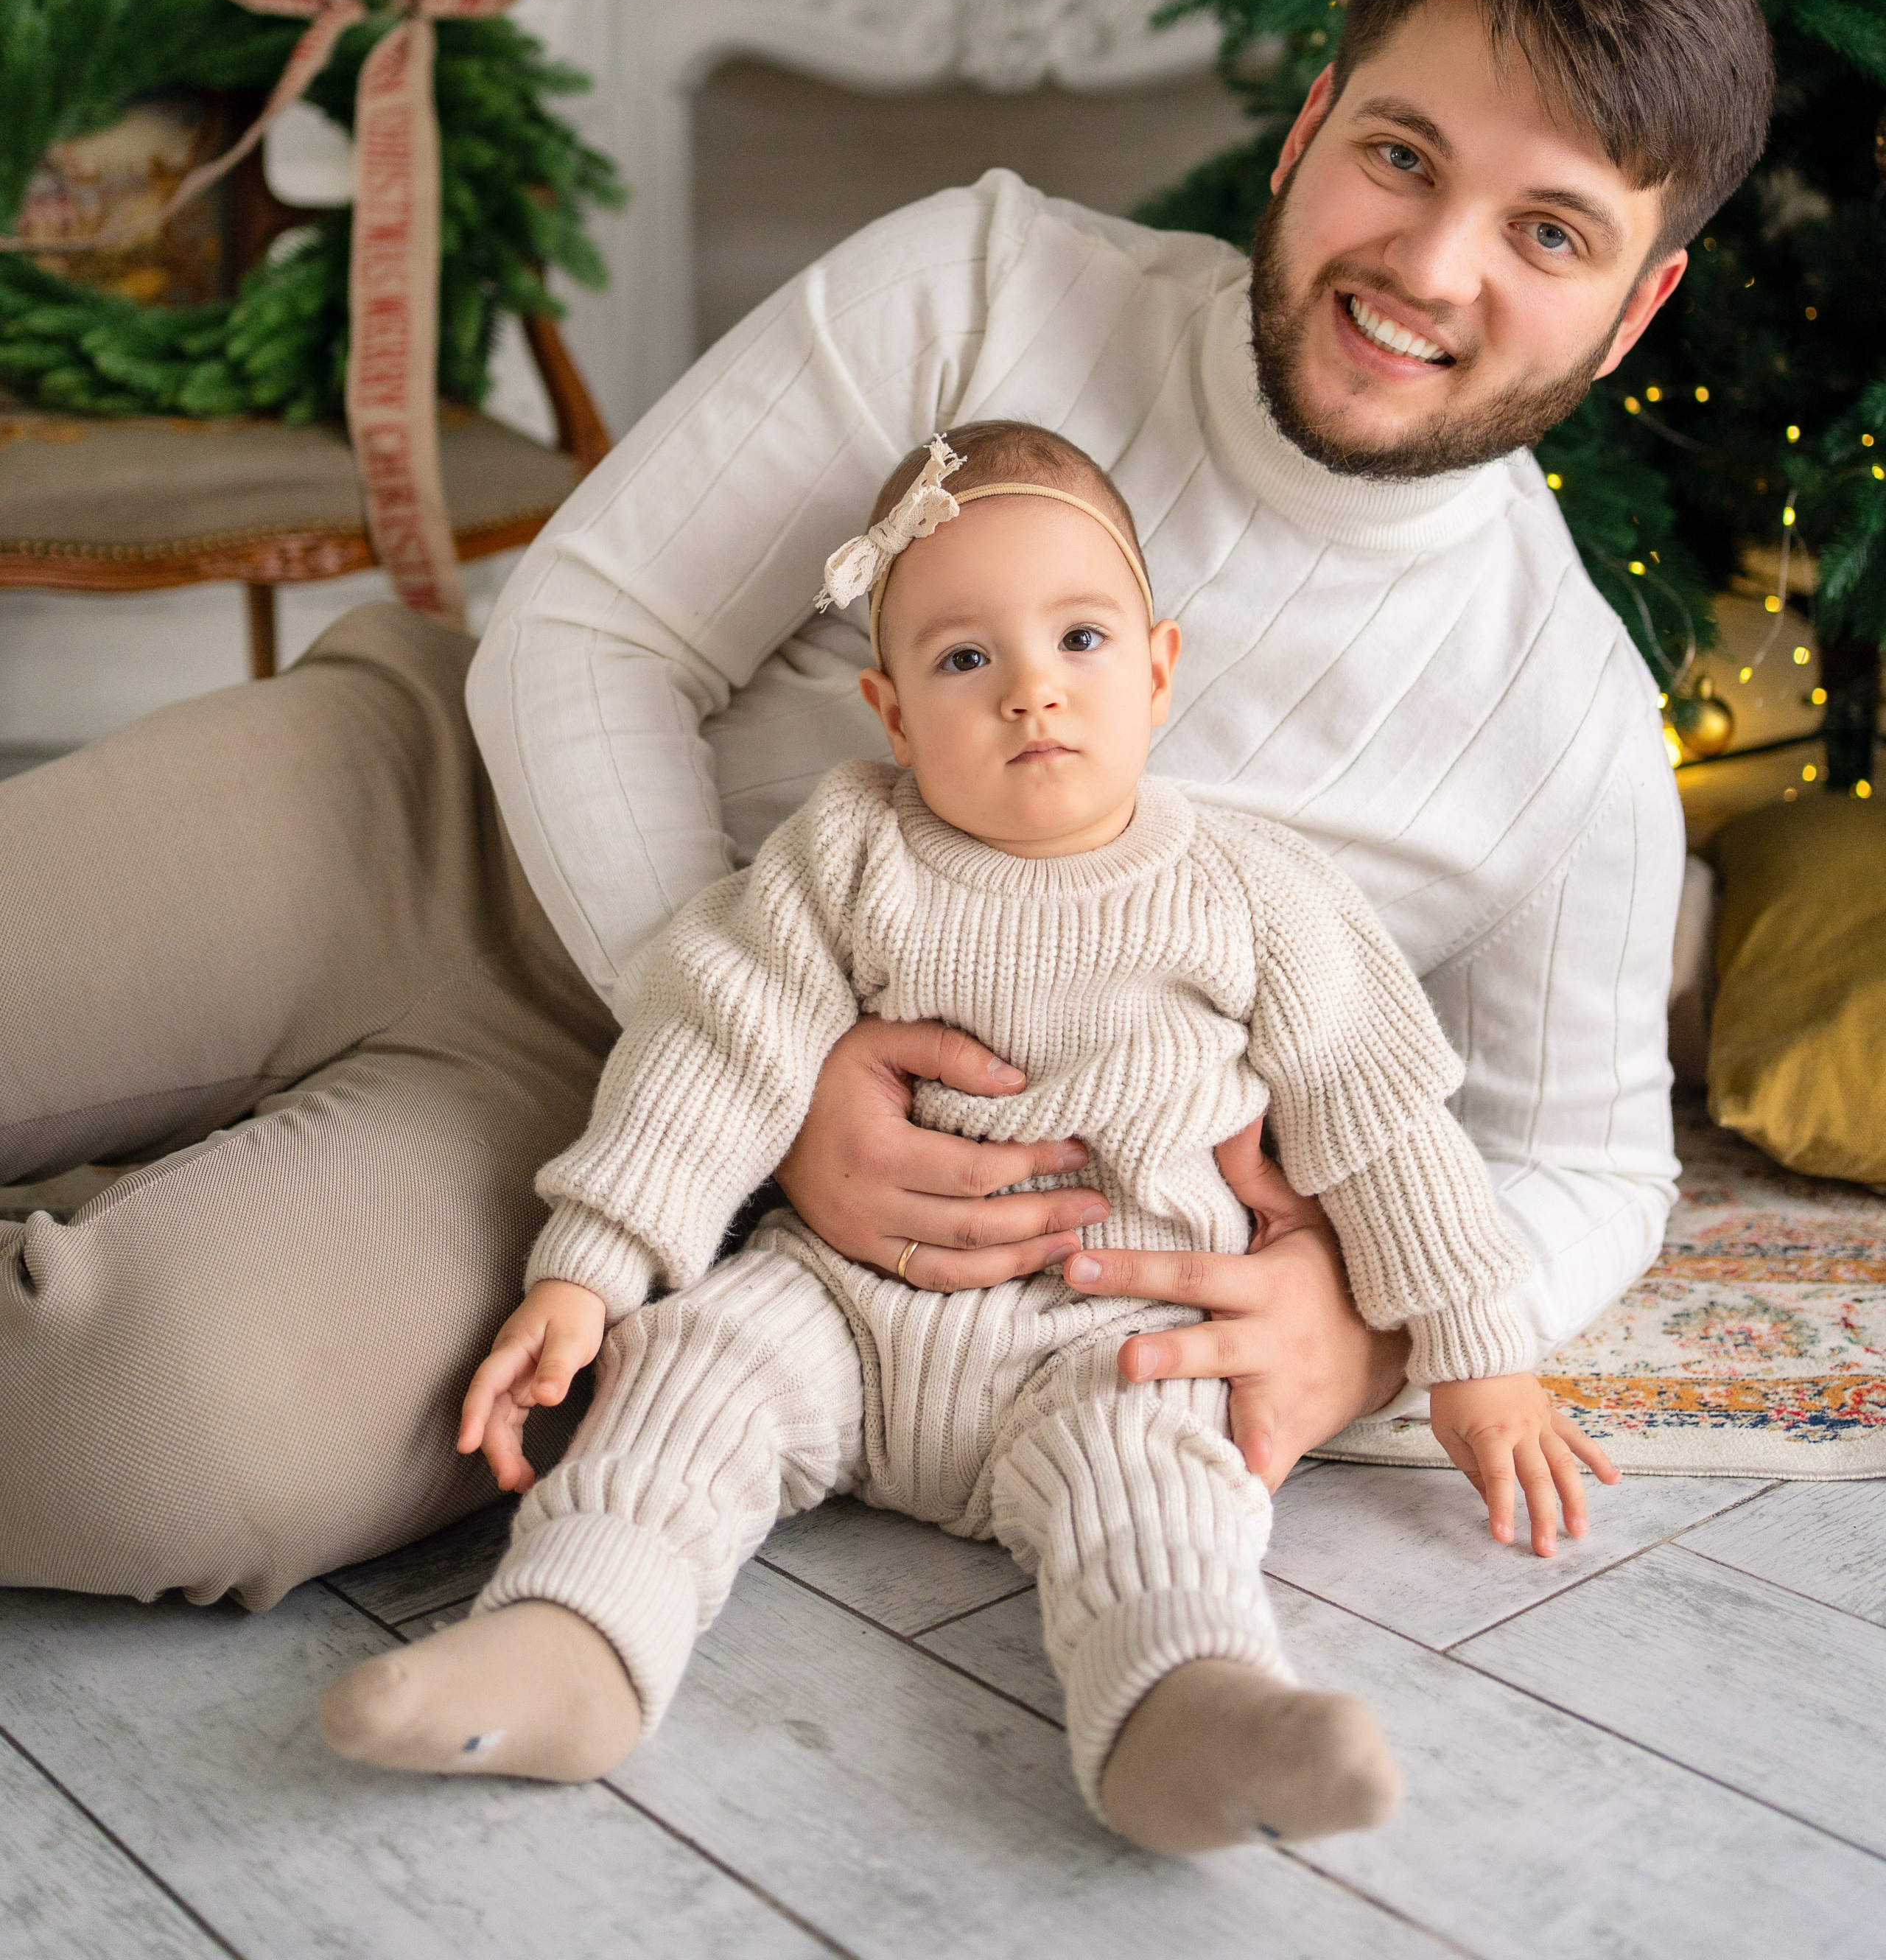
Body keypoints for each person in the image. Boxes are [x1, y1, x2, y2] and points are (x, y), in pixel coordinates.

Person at [0, 0, 1773, 1611]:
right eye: (1399, 154)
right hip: (439, 821)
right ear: (1309, 128)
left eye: (1549, 234)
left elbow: (1589, 1165)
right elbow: (593, 628)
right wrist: (769, 1078)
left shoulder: (1565, 723)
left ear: (1635, 310)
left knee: (132, 1436)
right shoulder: (984, 282)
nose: (1431, 265)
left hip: (639, 1173)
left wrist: (1376, 1335)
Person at [319, 424, 1616, 1850]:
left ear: (1158, 670)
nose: (1029, 690)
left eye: (1079, 639)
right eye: (964, 658)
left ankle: (1187, 1710)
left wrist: (1477, 1359)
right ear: (889, 712)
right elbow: (713, 1054)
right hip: (843, 1308)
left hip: (1107, 1334)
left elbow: (1382, 1129)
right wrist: (588, 1270)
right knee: (686, 1376)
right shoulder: (843, 852)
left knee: (1160, 1484)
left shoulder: (1256, 894)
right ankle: (570, 1641)